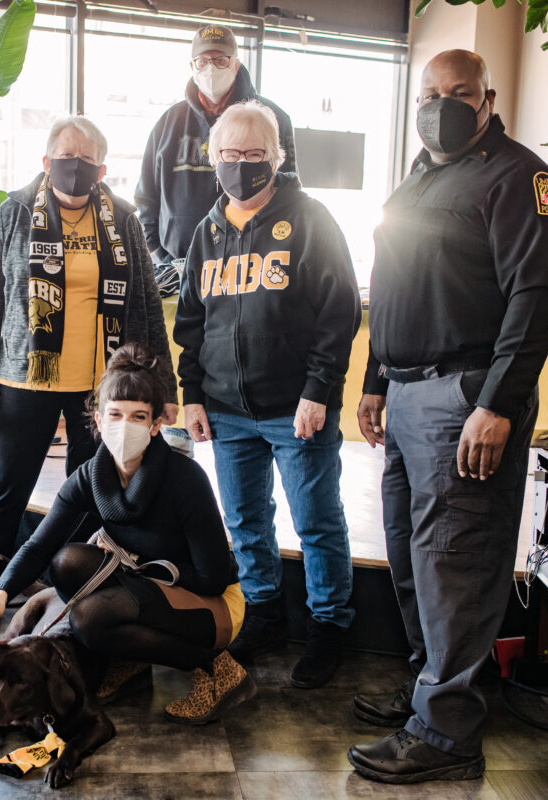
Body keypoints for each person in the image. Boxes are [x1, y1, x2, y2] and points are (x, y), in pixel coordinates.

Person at [347, 50, 548, 784]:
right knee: (415, 559)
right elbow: (393, 283)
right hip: (407, 388)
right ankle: (428, 696)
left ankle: (447, 733)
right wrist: (376, 378)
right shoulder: (418, 175)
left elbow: (534, 298)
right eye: (431, 93)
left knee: (457, 562)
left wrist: (497, 405)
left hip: (465, 396)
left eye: (460, 93)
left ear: (488, 99)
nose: (442, 104)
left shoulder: (521, 178)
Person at [0, 117, 178, 639]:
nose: (75, 168)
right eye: (65, 157)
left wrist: (165, 390)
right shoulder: (14, 213)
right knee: (5, 491)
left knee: (91, 493)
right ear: (46, 162)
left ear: (101, 166)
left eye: (86, 159)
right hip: (26, 380)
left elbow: (144, 303)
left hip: (102, 389)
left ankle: (69, 590)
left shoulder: (121, 218)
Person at [173, 101, 361, 689]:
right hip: (227, 413)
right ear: (213, 158)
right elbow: (191, 323)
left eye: (255, 155)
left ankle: (330, 625)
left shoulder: (310, 219)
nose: (242, 165)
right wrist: (194, 396)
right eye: (230, 155)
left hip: (295, 409)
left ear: (276, 158)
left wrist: (318, 391)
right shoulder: (206, 232)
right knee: (246, 521)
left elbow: (339, 313)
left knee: (316, 520)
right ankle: (265, 613)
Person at [0, 343, 254, 724]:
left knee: (89, 620)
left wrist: (141, 577)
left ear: (155, 425)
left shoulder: (185, 479)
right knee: (66, 562)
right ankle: (131, 660)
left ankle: (221, 672)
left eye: (137, 417)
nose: (124, 427)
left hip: (211, 604)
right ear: (99, 420)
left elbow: (214, 577)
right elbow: (40, 545)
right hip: (148, 587)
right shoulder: (91, 475)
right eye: (115, 415)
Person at [136, 24, 296, 274]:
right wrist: (157, 251)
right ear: (192, 67)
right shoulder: (168, 123)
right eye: (202, 61)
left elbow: (289, 191)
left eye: (221, 60)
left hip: (250, 266)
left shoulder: (273, 118)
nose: (211, 68)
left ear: (235, 64)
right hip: (176, 266)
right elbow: (146, 196)